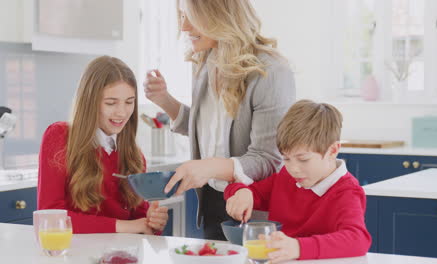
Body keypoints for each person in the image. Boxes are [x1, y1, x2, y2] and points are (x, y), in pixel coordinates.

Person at [144, 0, 296, 239]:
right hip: (213, 202)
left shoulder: (271, 71)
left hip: (251, 210)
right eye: (182, 16)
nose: (183, 27)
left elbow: (268, 159)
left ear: (219, 15)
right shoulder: (205, 61)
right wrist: (164, 100)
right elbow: (203, 130)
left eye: (191, 17)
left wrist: (210, 167)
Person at [224, 100, 371, 262]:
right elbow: (249, 192)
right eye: (286, 159)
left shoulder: (346, 191)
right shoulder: (286, 177)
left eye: (303, 159)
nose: (293, 168)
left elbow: (358, 239)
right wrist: (241, 192)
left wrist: (298, 247)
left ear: (333, 150)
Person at [37, 56, 169, 234]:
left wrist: (153, 223)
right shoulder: (59, 136)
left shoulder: (134, 156)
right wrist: (127, 226)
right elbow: (51, 219)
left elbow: (141, 226)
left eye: (129, 102)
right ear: (90, 102)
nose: (122, 112)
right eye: (111, 103)